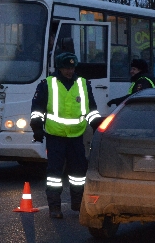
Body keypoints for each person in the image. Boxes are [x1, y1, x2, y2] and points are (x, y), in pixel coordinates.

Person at [30, 52, 103, 219]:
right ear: (59, 68)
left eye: (72, 68)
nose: (70, 71)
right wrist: (37, 128)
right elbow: (37, 109)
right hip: (55, 136)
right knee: (55, 174)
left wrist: (98, 126)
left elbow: (91, 109)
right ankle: (54, 207)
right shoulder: (47, 84)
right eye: (66, 68)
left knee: (78, 173)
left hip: (76, 136)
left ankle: (78, 203)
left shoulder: (83, 84)